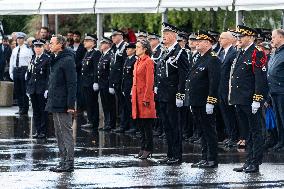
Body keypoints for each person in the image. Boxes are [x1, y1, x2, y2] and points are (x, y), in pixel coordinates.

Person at [230, 25, 267, 173]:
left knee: (256, 131)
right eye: (237, 37)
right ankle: (248, 160)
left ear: (250, 37)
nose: (238, 39)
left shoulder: (257, 52)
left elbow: (260, 78)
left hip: (250, 99)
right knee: (246, 132)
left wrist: (257, 99)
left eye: (241, 37)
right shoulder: (241, 52)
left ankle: (255, 162)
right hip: (240, 99)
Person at [185, 31, 220, 168]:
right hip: (196, 101)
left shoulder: (213, 59)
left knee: (209, 131)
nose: (196, 43)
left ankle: (212, 159)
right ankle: (204, 157)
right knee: (202, 131)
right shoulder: (200, 57)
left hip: (205, 101)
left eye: (200, 41)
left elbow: (214, 83)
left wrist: (211, 101)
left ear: (208, 43)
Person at [156, 22, 189, 165]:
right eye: (163, 34)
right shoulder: (165, 51)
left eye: (167, 34)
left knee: (175, 126)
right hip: (163, 94)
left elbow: (183, 76)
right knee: (167, 126)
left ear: (174, 35)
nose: (164, 36)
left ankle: (177, 155)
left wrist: (180, 94)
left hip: (173, 95)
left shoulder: (180, 52)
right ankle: (170, 154)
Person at [46, 35, 77, 172]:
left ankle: (69, 162)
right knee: (59, 134)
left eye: (52, 43)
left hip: (63, 102)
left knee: (66, 133)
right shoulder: (56, 58)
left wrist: (70, 105)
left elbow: (72, 84)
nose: (49, 45)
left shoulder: (67, 60)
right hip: (55, 101)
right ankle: (63, 160)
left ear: (60, 45)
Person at [132, 39, 156, 159]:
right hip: (137, 97)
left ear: (144, 49)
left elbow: (149, 82)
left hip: (144, 98)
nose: (136, 49)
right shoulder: (137, 62)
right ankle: (142, 147)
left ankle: (148, 148)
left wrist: (146, 98)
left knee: (147, 125)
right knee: (140, 125)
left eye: (138, 47)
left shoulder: (148, 62)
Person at [26, 39, 50, 139]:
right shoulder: (33, 58)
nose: (37, 48)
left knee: (43, 110)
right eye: (36, 46)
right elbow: (29, 74)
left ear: (43, 47)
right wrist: (28, 87)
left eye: (39, 46)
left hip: (41, 88)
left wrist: (47, 89)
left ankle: (43, 131)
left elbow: (48, 75)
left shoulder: (47, 59)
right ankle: (38, 130)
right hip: (33, 88)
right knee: (35, 111)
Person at [218, 32, 238, 148]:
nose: (220, 40)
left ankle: (234, 136)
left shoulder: (233, 53)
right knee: (225, 114)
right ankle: (230, 135)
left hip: (228, 88)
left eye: (222, 38)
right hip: (220, 88)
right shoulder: (221, 53)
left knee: (231, 114)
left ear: (230, 40)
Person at [267, 29, 284, 152]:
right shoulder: (275, 52)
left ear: (280, 37)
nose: (271, 39)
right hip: (274, 90)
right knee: (278, 118)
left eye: (273, 37)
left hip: (282, 90)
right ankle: (281, 141)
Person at [80, 34, 102, 130]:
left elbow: (96, 68)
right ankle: (90, 120)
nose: (84, 42)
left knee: (92, 102)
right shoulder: (87, 53)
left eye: (87, 41)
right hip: (85, 82)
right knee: (88, 102)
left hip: (91, 82)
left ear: (93, 43)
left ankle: (94, 122)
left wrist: (95, 82)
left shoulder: (95, 53)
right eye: (85, 40)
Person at [114, 42, 137, 133]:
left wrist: (132, 88)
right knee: (125, 107)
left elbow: (134, 76)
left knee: (131, 108)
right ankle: (124, 125)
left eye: (129, 49)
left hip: (131, 87)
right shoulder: (127, 59)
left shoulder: (135, 60)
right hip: (125, 87)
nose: (127, 50)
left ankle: (133, 126)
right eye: (126, 49)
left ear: (134, 50)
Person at [9, 32, 33, 116]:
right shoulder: (15, 49)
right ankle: (20, 107)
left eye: (21, 38)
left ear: (24, 39)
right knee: (17, 90)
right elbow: (12, 61)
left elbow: (30, 62)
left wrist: (28, 72)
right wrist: (11, 71)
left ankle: (25, 108)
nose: (19, 40)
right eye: (18, 38)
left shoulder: (28, 49)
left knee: (24, 90)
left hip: (24, 70)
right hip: (16, 70)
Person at [109, 29, 128, 131]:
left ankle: (124, 125)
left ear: (121, 36)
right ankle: (121, 124)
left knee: (123, 104)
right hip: (115, 79)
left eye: (115, 35)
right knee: (119, 103)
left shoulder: (125, 46)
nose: (113, 37)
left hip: (121, 79)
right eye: (112, 36)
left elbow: (125, 64)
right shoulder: (114, 47)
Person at [97, 37, 116, 131]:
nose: (101, 45)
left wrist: (111, 85)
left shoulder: (110, 55)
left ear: (108, 44)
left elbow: (111, 71)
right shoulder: (103, 55)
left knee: (110, 104)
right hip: (102, 84)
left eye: (103, 43)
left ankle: (111, 124)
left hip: (107, 84)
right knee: (105, 104)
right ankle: (107, 123)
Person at [70, 31, 87, 125]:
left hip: (79, 72)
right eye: (74, 36)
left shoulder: (82, 47)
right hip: (71, 72)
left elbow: (83, 59)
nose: (75, 37)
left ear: (80, 37)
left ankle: (80, 109)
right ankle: (72, 108)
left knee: (80, 91)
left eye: (77, 36)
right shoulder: (70, 47)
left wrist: (76, 65)